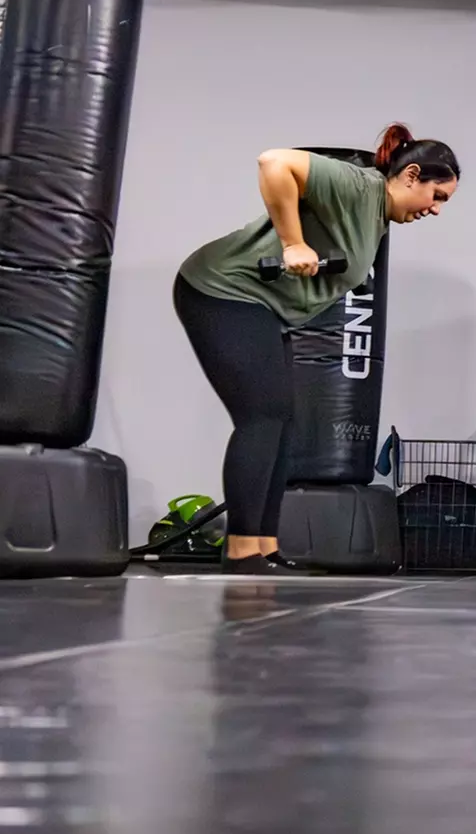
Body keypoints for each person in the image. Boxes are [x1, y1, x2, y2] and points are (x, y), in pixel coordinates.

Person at [174, 125, 460, 575]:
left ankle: (265, 547)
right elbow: (274, 161)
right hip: (220, 291)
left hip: (265, 309)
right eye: (437, 195)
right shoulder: (359, 185)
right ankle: (242, 551)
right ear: (411, 176)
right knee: (262, 416)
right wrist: (293, 242)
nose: (437, 209)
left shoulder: (376, 219)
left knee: (283, 422)